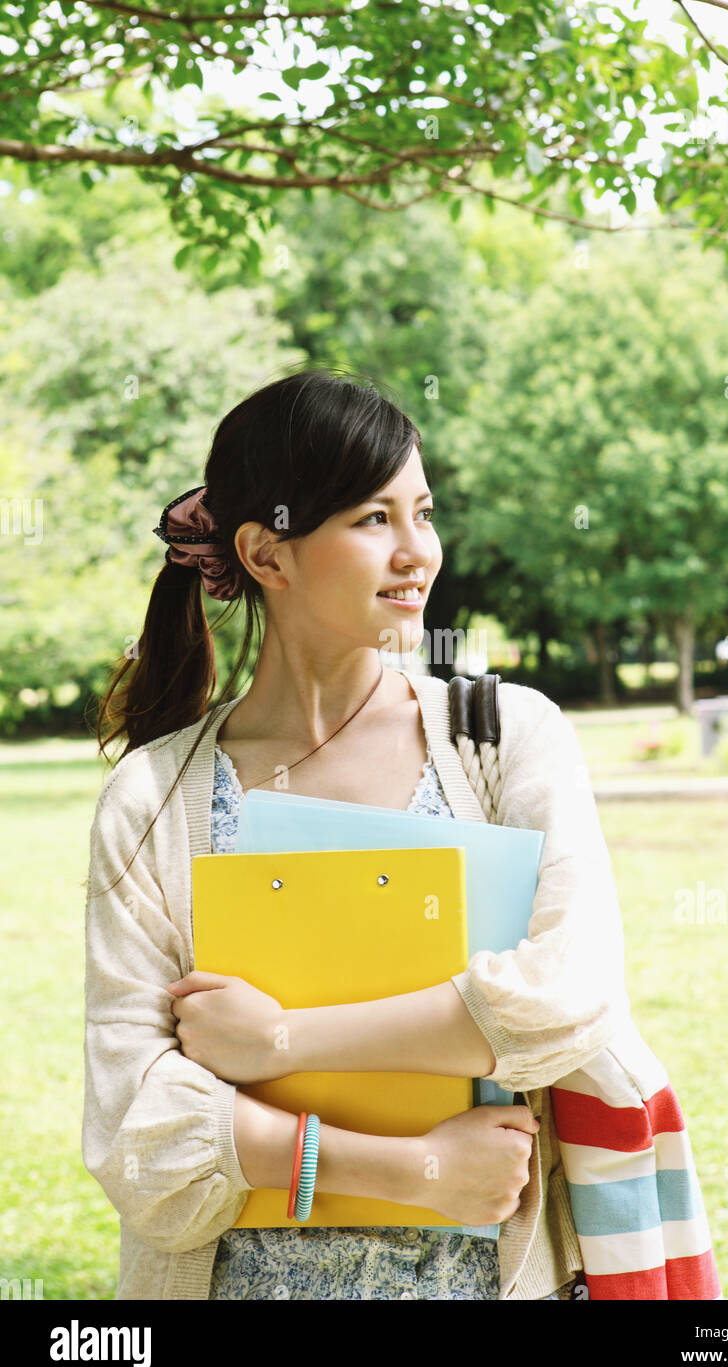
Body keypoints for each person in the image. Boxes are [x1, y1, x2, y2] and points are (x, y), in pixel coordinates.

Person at [83, 366, 629, 1300]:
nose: (417, 551)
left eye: (422, 512)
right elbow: (139, 1134)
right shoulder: (152, 798)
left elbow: (567, 996)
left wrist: (284, 1040)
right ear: (266, 554)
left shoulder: (507, 737)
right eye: (374, 520)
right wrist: (413, 1167)